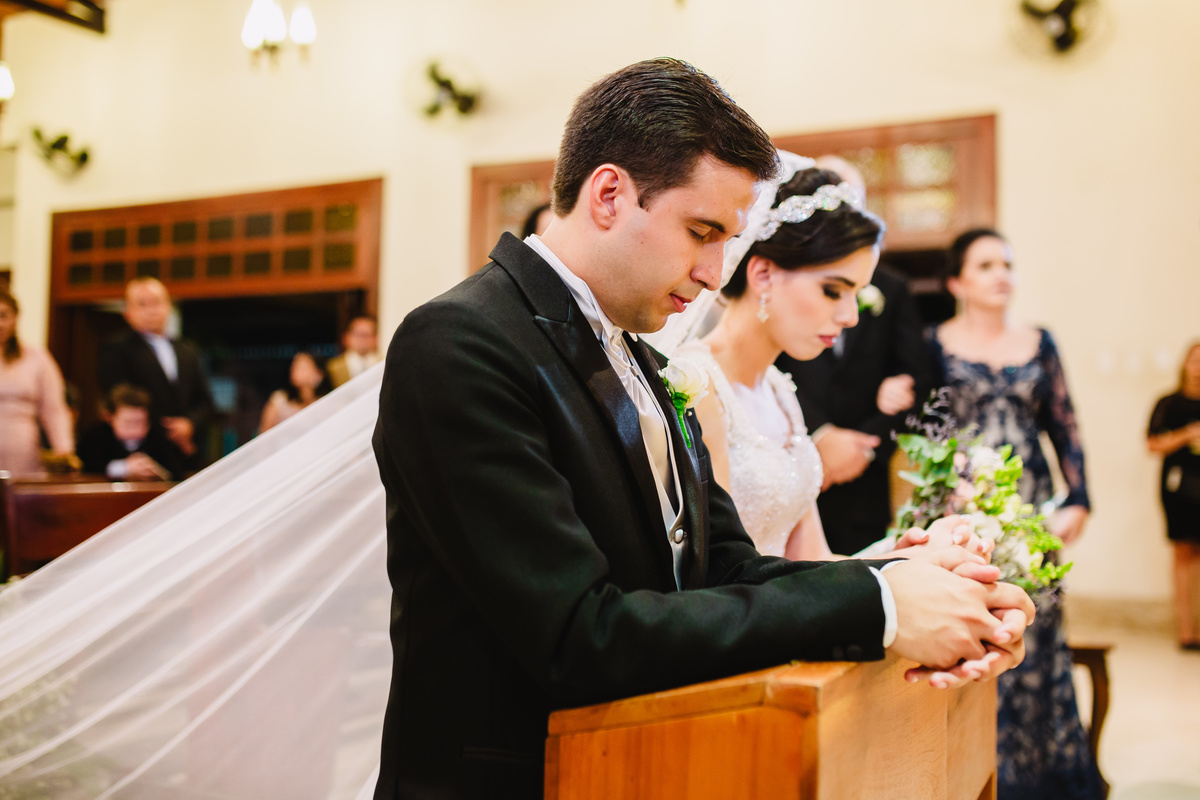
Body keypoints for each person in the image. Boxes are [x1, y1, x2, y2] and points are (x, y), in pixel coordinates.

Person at [372, 58, 1034, 800]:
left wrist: (915, 583)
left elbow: (728, 568)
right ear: (611, 194)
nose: (719, 271)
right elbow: (580, 635)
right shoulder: (461, 344)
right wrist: (880, 610)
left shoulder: (650, 365)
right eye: (703, 230)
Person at [667, 154, 948, 563]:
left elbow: (812, 558)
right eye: (834, 291)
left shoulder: (780, 389)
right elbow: (726, 573)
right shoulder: (696, 385)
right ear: (762, 274)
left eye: (857, 294)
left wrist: (909, 558)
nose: (850, 316)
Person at [930, 228, 1101, 800]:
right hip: (968, 515)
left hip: (1033, 515)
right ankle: (981, 774)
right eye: (985, 265)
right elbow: (927, 432)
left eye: (1006, 263)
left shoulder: (1040, 342)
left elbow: (1064, 423)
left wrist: (1078, 499)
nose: (1001, 273)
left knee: (1039, 638)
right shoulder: (934, 343)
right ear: (957, 281)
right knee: (979, 636)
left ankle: (1042, 778)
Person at [777, 156, 932, 556]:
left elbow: (918, 375)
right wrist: (821, 435)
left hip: (865, 475)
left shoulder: (892, 288)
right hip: (788, 454)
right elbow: (771, 367)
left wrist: (864, 446)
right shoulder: (782, 287)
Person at [97, 278, 213, 465]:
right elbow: (119, 398)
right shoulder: (116, 349)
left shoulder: (187, 350)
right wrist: (165, 429)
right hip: (141, 449)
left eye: (157, 302)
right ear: (127, 312)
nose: (152, 310)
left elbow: (204, 400)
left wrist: (189, 425)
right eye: (142, 304)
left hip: (187, 448)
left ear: (168, 306)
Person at [1147, 341, 1200, 649]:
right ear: (1184, 365)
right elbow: (1152, 444)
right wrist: (1187, 435)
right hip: (1178, 488)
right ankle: (1186, 631)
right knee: (1182, 554)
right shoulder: (1169, 403)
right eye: (1195, 361)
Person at [0, 290, 75, 475]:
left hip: (23, 453)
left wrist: (63, 449)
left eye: (3, 315)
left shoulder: (37, 358)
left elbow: (54, 409)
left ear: (15, 318)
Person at [77, 384, 185, 481]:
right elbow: (87, 469)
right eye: (128, 423)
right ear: (109, 418)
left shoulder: (157, 437)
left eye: (140, 423)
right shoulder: (95, 437)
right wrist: (124, 468)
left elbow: (175, 474)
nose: (134, 429)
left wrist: (155, 469)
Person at [259, 350, 329, 432]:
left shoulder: (326, 403)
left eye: (302, 366)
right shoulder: (279, 400)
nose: (294, 369)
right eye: (294, 365)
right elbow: (263, 433)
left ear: (318, 374)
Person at [326, 316, 382, 388]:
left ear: (375, 338)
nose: (363, 339)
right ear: (347, 337)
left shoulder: (384, 365)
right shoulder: (332, 367)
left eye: (367, 335)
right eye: (359, 334)